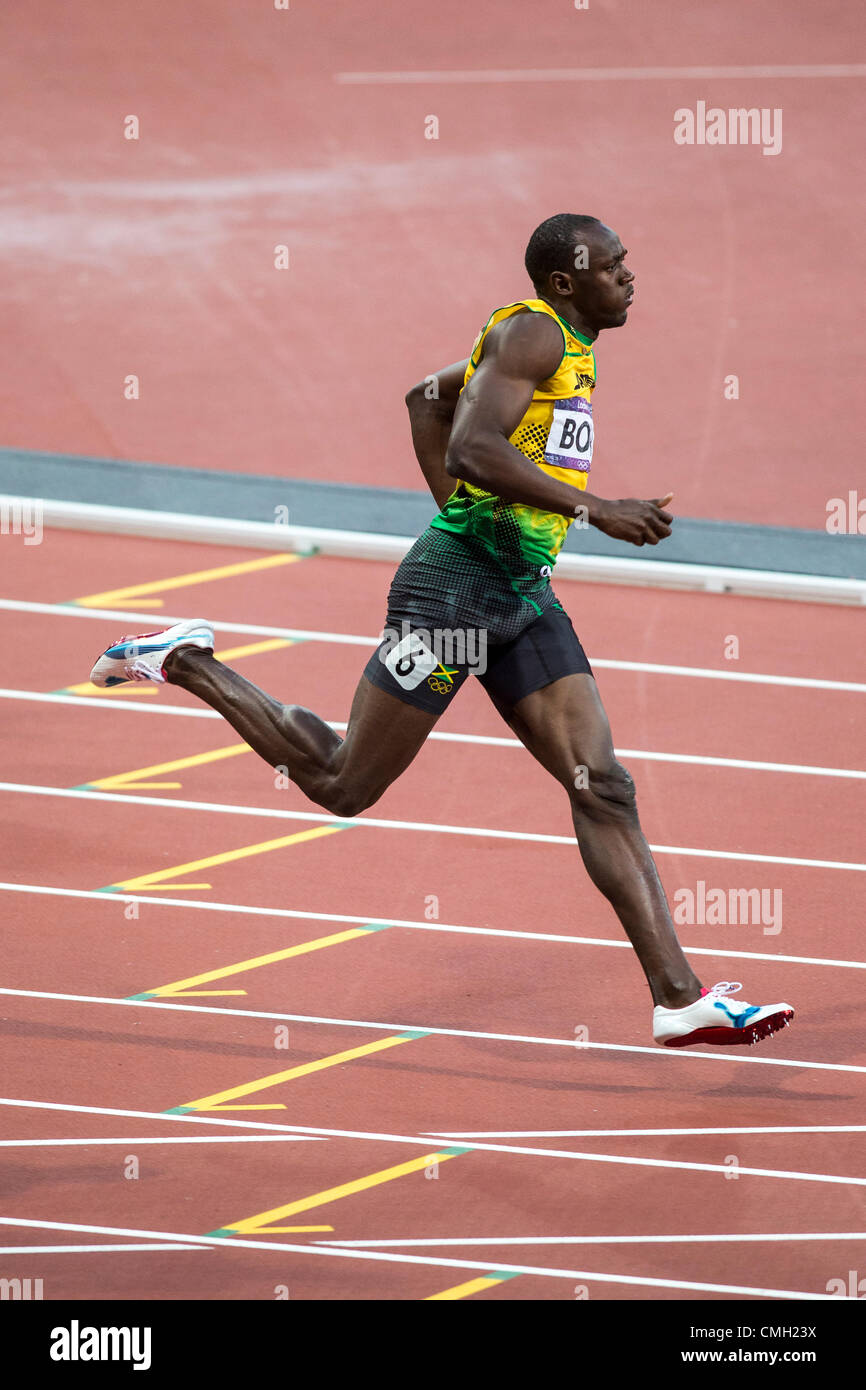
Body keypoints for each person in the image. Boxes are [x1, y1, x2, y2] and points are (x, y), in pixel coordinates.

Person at [89, 213, 793, 1048]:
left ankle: (679, 998)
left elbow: (425, 400)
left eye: (626, 262)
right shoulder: (533, 334)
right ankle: (186, 660)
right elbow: (467, 444)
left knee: (601, 785)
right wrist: (590, 508)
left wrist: (476, 521)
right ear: (566, 281)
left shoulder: (569, 347)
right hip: (452, 599)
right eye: (612, 266)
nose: (629, 277)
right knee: (344, 783)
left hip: (520, 593)